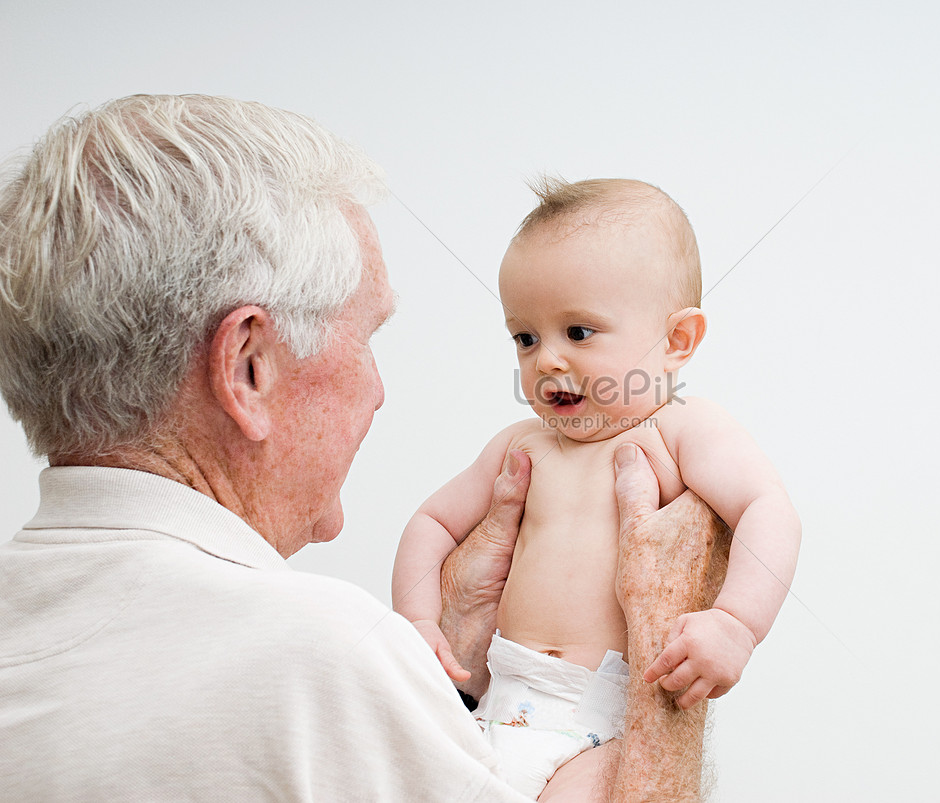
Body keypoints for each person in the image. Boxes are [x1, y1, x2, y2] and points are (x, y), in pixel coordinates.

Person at [0, 95, 727, 801]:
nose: (380, 389)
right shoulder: (318, 660)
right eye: (367, 338)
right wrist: (667, 647)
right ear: (248, 367)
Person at [392, 178, 803, 797]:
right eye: (525, 338)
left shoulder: (678, 430)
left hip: (599, 721)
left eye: (578, 333)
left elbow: (768, 509)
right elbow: (432, 524)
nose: (547, 361)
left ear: (676, 341)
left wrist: (736, 623)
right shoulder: (519, 444)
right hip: (494, 703)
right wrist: (418, 621)